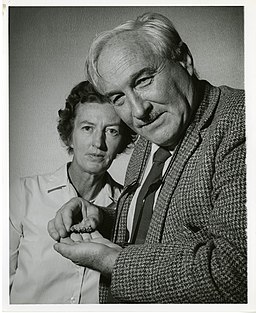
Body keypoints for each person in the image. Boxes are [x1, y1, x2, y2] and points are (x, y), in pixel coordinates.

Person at [48, 13, 246, 303]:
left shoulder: (241, 121)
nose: (138, 111)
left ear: (185, 60)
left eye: (143, 80)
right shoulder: (151, 134)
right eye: (118, 98)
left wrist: (114, 263)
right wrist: (101, 217)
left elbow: (237, 271)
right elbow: (151, 220)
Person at [9, 80, 135, 304]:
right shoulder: (21, 195)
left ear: (123, 140)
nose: (98, 142)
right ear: (69, 135)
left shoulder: (130, 208)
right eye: (88, 128)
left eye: (112, 131)